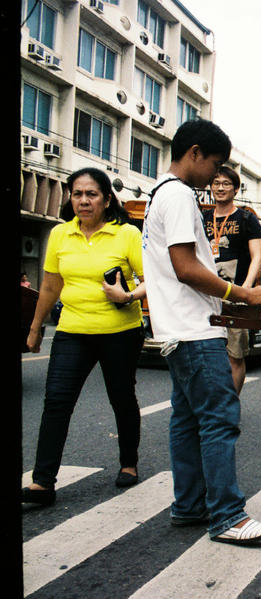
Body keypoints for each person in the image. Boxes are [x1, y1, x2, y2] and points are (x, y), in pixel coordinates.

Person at [141, 119, 261, 545]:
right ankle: (227, 516)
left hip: (175, 330)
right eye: (215, 165)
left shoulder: (158, 196)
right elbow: (186, 268)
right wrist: (243, 294)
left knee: (186, 421)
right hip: (195, 332)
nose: (215, 176)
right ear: (195, 153)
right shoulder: (180, 196)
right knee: (219, 419)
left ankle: (189, 505)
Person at [22, 168, 147, 507]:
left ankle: (129, 463)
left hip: (119, 332)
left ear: (107, 199)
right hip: (72, 331)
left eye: (91, 194)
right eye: (77, 194)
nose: (83, 201)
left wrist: (128, 297)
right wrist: (35, 328)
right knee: (56, 403)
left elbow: (150, 279)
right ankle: (42, 483)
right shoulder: (61, 234)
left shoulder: (127, 235)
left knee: (121, 397)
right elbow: (50, 285)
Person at [203, 166, 261, 395]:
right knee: (208, 352)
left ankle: (230, 404)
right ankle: (213, 403)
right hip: (207, 295)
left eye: (226, 183)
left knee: (235, 355)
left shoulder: (247, 218)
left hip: (236, 296)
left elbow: (257, 255)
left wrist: (246, 288)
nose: (220, 187)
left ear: (236, 189)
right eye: (216, 183)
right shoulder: (204, 218)